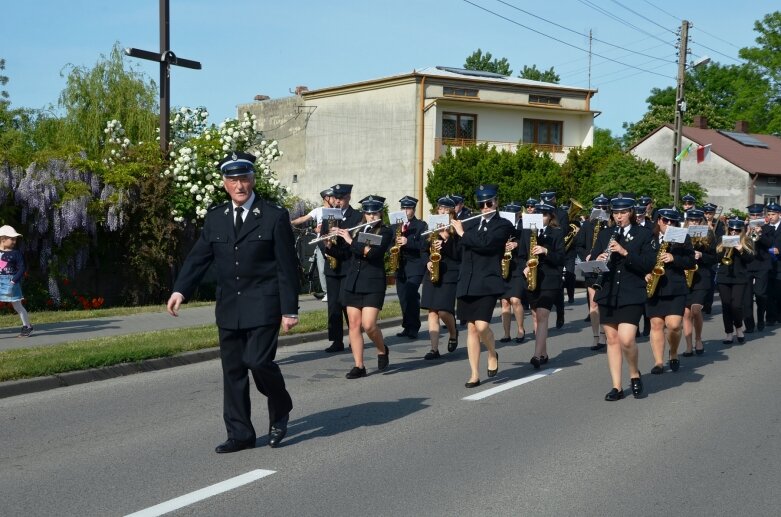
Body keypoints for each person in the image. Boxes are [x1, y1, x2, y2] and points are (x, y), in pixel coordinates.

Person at [166, 151, 299, 453]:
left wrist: (290, 309)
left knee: (258, 362)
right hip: (229, 308)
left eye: (244, 178)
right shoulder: (216, 218)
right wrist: (180, 291)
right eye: (233, 179)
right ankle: (241, 434)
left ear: (253, 180)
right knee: (234, 371)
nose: (239, 185)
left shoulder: (273, 215)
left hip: (265, 305)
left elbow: (286, 268)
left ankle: (281, 406)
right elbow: (199, 259)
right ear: (224, 183)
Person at [591, 194, 655, 401]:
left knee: (627, 339)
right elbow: (591, 262)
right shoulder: (605, 234)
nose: (619, 217)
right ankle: (617, 386)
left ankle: (634, 373)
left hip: (631, 291)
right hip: (608, 292)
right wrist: (598, 259)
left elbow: (647, 264)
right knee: (612, 339)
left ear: (631, 213)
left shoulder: (644, 234)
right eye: (616, 213)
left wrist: (625, 252)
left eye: (623, 213)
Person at [452, 184, 513, 388]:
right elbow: (456, 253)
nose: (485, 207)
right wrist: (446, 238)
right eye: (482, 204)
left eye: (489, 203)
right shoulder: (469, 224)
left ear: (496, 202)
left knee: (482, 326)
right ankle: (474, 373)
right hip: (467, 282)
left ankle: (492, 351)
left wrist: (461, 234)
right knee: (471, 329)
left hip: (487, 281)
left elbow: (487, 244)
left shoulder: (503, 224)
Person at [337, 195, 394, 378]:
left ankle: (382, 349)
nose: (371, 217)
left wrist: (352, 242)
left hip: (373, 283)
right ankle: (359, 366)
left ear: (380, 213)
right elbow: (346, 254)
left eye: (374, 213)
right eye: (368, 213)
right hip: (353, 281)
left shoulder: (385, 232)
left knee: (369, 325)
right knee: (354, 325)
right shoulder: (357, 230)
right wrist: (328, 243)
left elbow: (373, 254)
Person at [645, 208, 695, 374]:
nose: (668, 224)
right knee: (656, 324)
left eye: (672, 222)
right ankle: (658, 362)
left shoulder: (683, 237)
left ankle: (673, 352)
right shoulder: (649, 237)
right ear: (658, 220)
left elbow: (690, 261)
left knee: (673, 325)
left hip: (675, 286)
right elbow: (640, 258)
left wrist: (675, 258)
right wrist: (645, 273)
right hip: (655, 285)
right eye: (665, 221)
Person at [518, 202, 565, 368]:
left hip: (550, 279)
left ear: (550, 217)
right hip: (532, 278)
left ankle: (536, 355)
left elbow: (561, 258)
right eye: (539, 215)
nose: (541, 218)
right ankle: (544, 353)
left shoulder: (556, 233)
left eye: (544, 215)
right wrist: (524, 266)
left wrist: (546, 251)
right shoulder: (527, 232)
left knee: (543, 314)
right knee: (536, 316)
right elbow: (521, 255)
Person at [320, 184, 363, 353]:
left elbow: (355, 242)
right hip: (332, 267)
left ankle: (354, 337)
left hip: (347, 266)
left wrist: (343, 237)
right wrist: (326, 246)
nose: (338, 202)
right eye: (335, 198)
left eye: (341, 198)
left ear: (349, 198)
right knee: (333, 306)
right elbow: (322, 236)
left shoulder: (357, 217)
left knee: (348, 304)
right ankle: (336, 340)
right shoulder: (328, 216)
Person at [420, 195, 461, 359]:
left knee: (444, 311)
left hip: (449, 273)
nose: (442, 211)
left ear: (451, 212)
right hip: (432, 272)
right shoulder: (431, 228)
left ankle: (453, 332)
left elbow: (459, 254)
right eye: (440, 209)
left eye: (446, 209)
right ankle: (434, 349)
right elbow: (422, 250)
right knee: (432, 311)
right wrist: (427, 263)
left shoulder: (456, 229)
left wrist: (446, 238)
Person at [574, 194, 610, 350]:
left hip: (607, 267)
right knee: (593, 304)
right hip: (591, 267)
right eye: (598, 208)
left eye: (604, 208)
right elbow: (579, 245)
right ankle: (597, 337)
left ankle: (605, 335)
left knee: (605, 304)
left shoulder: (610, 226)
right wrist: (586, 255)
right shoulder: (588, 226)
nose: (601, 210)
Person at [681, 209, 716, 357]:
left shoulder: (708, 234)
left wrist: (701, 255)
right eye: (691, 220)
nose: (694, 223)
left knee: (695, 310)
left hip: (701, 276)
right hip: (685, 276)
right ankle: (688, 345)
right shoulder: (682, 234)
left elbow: (715, 257)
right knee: (686, 313)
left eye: (697, 221)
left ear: (701, 221)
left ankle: (698, 338)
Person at [716, 218, 755, 344]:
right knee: (726, 305)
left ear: (741, 231)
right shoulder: (722, 240)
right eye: (731, 229)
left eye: (737, 230)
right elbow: (716, 258)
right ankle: (729, 333)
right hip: (724, 276)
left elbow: (750, 259)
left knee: (736, 306)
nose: (733, 232)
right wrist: (724, 249)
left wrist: (741, 249)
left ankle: (738, 327)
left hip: (739, 277)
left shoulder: (747, 240)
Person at [394, 196, 428, 339]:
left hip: (415, 265)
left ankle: (414, 326)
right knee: (402, 297)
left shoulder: (421, 225)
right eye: (403, 208)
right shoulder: (395, 225)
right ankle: (407, 325)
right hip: (400, 265)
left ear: (413, 210)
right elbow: (389, 242)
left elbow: (423, 245)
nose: (405, 211)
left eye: (408, 208)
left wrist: (408, 242)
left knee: (411, 295)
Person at [291, 188, 334, 300]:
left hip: (334, 242)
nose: (335, 199)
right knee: (322, 269)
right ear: (326, 198)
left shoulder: (336, 211)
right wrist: (290, 222)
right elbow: (304, 218)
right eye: (332, 197)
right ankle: (327, 292)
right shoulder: (318, 210)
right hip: (321, 243)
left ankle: (335, 290)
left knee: (334, 268)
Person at [498, 201, 526, 344]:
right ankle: (506, 333)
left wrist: (517, 244)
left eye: (514, 213)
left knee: (515, 300)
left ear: (518, 214)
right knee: (504, 302)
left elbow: (528, 243)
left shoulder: (523, 226)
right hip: (504, 266)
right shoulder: (502, 226)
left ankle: (520, 329)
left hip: (517, 267)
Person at [540, 190, 567, 329]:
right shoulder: (530, 229)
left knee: (558, 290)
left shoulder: (561, 214)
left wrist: (547, 251)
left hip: (554, 264)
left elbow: (565, 230)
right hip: (537, 273)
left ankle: (560, 311)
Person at [743, 204, 771, 333]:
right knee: (747, 297)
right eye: (752, 215)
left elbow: (770, 245)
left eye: (757, 215)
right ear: (749, 216)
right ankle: (749, 325)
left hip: (762, 265)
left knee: (760, 294)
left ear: (762, 215)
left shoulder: (768, 228)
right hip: (747, 265)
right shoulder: (743, 227)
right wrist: (747, 234)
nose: (755, 217)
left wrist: (760, 234)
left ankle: (760, 319)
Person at [0, 225, 33, 337]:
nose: (14, 241)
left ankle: (27, 326)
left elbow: (22, 268)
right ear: (3, 239)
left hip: (11, 282)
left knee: (17, 306)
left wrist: (13, 281)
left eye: (15, 239)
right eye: (12, 239)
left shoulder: (16, 253)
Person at [764, 203, 781, 325]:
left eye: (773, 214)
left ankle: (779, 315)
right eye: (768, 214)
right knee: (768, 292)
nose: (770, 217)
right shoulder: (764, 228)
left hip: (779, 264)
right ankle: (770, 317)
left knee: (779, 292)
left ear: (779, 215)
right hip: (767, 265)